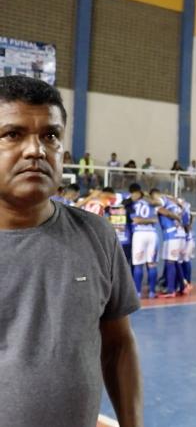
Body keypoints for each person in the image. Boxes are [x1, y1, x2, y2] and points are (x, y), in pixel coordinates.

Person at [0, 75, 142, 426]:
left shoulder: (96, 235)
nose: (36, 150)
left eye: (50, 135)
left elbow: (118, 346)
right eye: (13, 134)